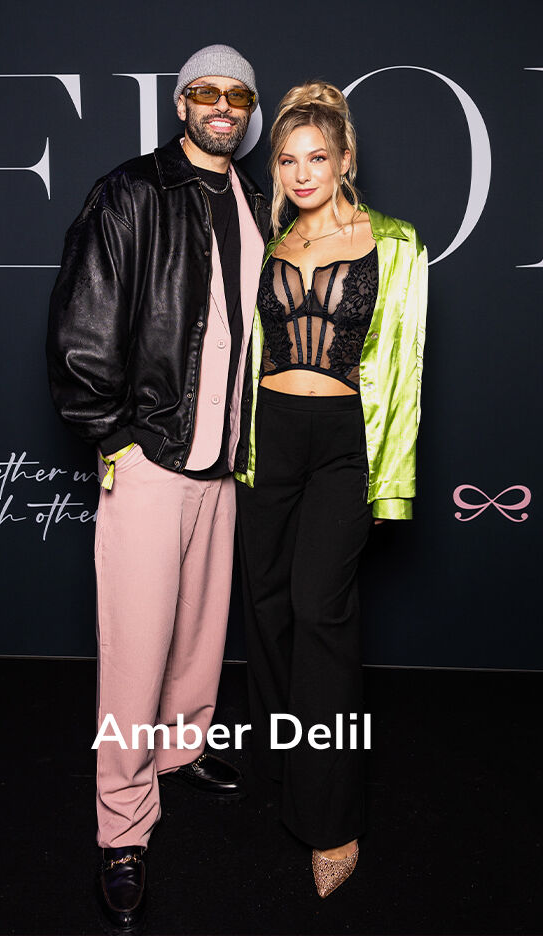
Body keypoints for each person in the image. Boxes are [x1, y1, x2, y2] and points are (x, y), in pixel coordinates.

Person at [46, 44, 269, 931]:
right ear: (181, 104)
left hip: (224, 463)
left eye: (237, 96)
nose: (222, 107)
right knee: (136, 652)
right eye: (206, 92)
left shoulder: (254, 198)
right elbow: (83, 322)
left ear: (248, 110)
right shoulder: (131, 192)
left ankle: (181, 751)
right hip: (149, 458)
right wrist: (115, 438)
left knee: (201, 636)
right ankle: (123, 827)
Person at [234, 81, 428, 898]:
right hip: (268, 441)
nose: (303, 172)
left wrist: (391, 485)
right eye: (288, 159)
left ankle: (334, 817)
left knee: (321, 611)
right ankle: (288, 763)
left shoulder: (394, 242)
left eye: (318, 156)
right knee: (269, 610)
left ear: (346, 159)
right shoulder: (265, 241)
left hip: (345, 444)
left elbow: (404, 368)